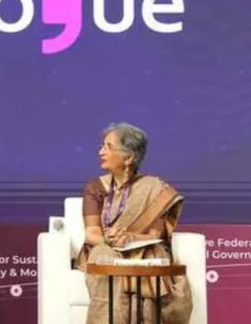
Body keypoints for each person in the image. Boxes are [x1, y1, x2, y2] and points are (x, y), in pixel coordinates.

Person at [78, 122, 192, 324]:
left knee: (154, 257)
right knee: (103, 256)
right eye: (102, 146)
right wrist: (111, 240)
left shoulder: (154, 189)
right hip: (105, 247)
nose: (101, 152)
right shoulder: (95, 188)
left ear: (129, 158)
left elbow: (154, 236)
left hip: (141, 249)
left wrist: (130, 238)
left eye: (109, 147)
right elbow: (92, 234)